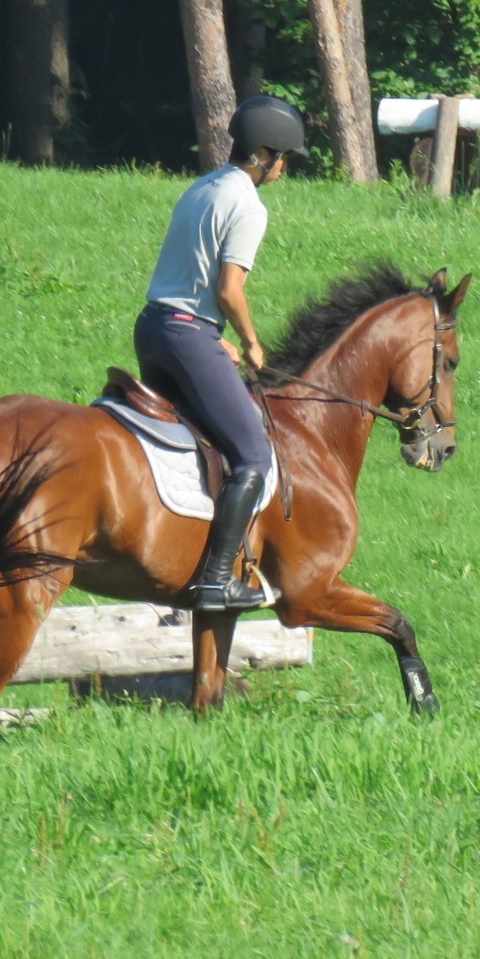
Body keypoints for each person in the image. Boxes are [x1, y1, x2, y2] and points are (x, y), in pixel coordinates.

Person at [133, 95, 308, 610]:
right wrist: (252, 342)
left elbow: (189, 280)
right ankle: (214, 578)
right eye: (285, 158)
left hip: (156, 328)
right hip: (187, 335)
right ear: (264, 153)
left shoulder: (201, 187)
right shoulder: (249, 206)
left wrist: (214, 340)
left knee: (194, 441)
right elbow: (230, 289)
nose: (285, 168)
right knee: (253, 453)